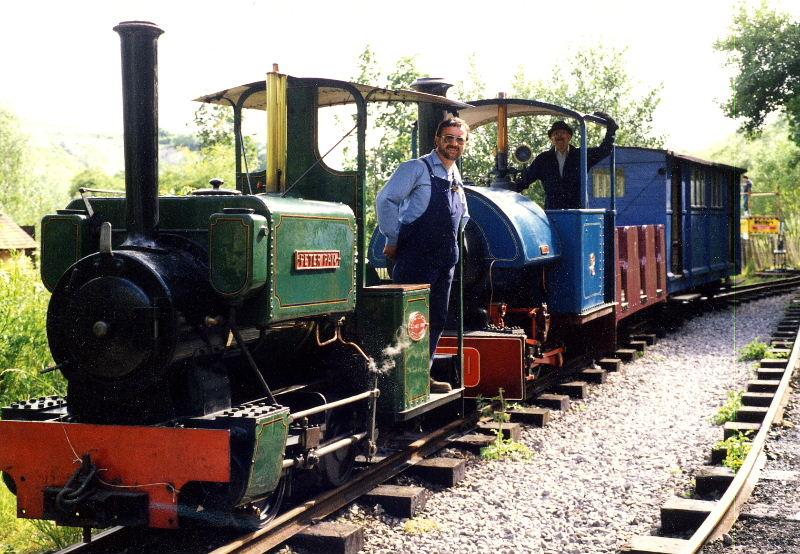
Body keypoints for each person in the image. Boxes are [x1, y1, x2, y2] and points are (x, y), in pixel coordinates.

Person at [376, 117, 470, 393]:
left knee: (436, 319)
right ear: (437, 140)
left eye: (460, 139)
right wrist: (393, 237)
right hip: (416, 256)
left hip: (445, 260)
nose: (454, 144)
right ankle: (396, 382)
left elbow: (462, 213)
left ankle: (421, 377)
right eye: (449, 138)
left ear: (465, 145)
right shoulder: (416, 169)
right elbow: (385, 200)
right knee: (410, 319)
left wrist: (455, 243)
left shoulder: (454, 174)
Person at [517, 113, 618, 209]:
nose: (559, 136)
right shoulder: (543, 159)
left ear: (569, 137)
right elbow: (525, 180)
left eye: (562, 133)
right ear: (551, 139)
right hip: (553, 214)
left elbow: (604, 150)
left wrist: (611, 130)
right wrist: (508, 189)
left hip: (577, 213)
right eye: (555, 134)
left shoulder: (581, 155)